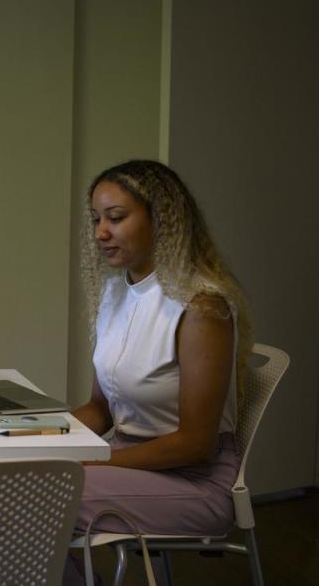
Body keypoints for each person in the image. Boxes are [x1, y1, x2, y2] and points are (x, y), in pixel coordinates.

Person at [66, 160, 253, 579]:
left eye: (115, 218)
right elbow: (100, 409)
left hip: (195, 481)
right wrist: (38, 437)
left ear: (161, 219)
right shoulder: (115, 294)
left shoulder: (201, 306)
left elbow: (195, 445)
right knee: (9, 474)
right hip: (133, 459)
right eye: (96, 219)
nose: (100, 232)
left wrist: (90, 467)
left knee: (42, 490)